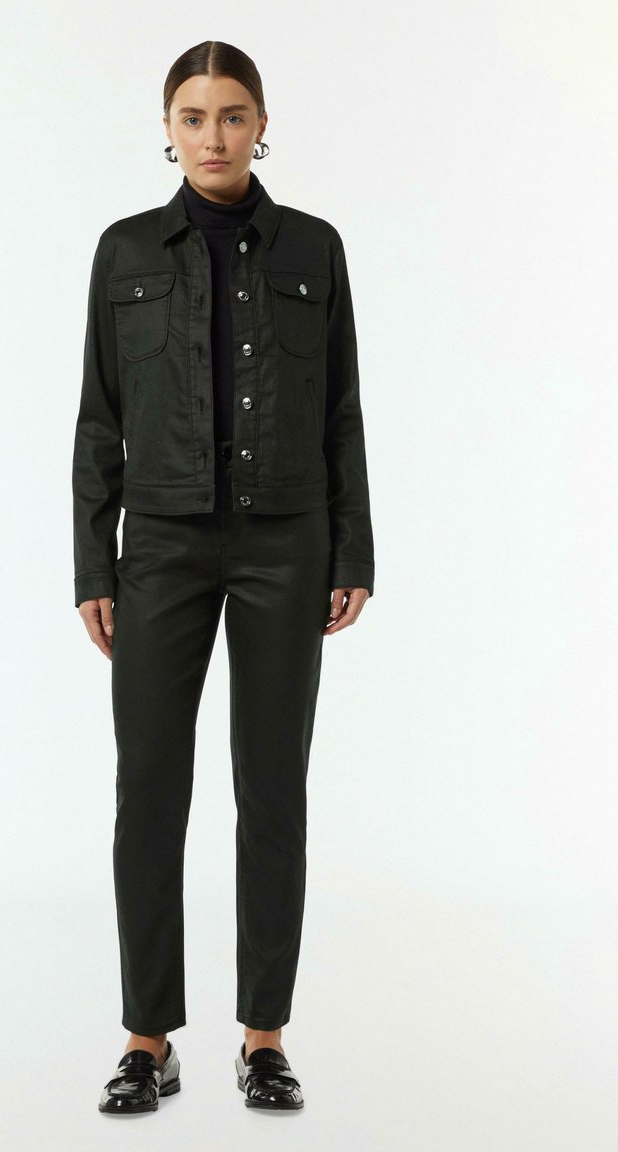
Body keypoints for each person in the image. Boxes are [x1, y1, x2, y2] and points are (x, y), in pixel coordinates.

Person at [72, 40, 375, 1115]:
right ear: (169, 129)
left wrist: (352, 551)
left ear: (260, 127)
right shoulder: (124, 251)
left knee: (272, 791)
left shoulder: (312, 248)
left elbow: (340, 409)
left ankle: (263, 1038)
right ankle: (146, 1039)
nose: (213, 136)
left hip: (284, 545)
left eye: (232, 115)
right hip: (158, 547)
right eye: (194, 117)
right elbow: (99, 419)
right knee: (148, 792)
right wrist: (93, 562)